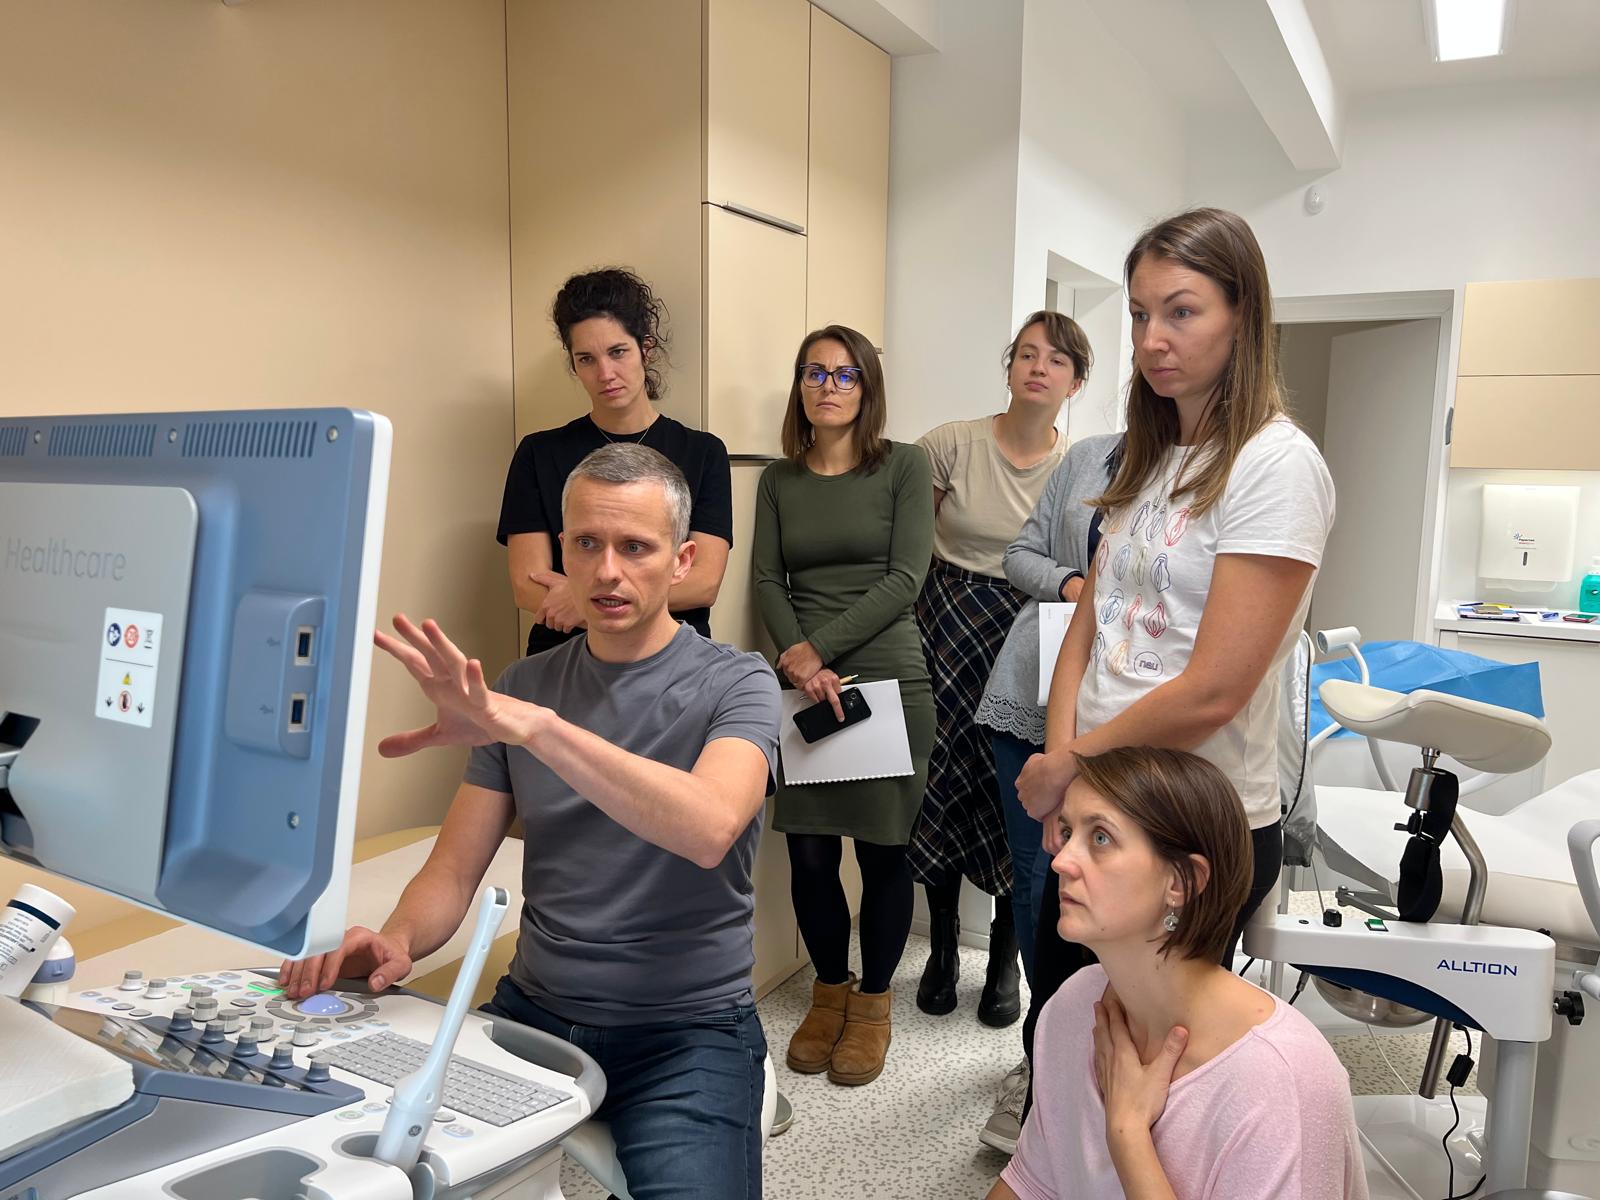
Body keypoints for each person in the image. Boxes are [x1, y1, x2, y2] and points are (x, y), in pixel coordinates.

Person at [281, 445, 780, 1199]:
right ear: (563, 553)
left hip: (687, 1031)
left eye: (635, 547)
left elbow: (708, 828)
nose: (606, 571)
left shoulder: (737, 682)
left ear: (681, 562)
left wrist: (541, 729)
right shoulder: (523, 689)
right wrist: (396, 942)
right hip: (532, 1015)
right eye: (586, 544)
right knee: (371, 1169)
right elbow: (452, 871)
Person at [1016, 206, 1335, 1012]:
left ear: (1243, 317)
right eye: (1138, 314)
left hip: (1191, 818)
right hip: (1104, 798)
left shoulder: (1275, 467)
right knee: (1061, 1022)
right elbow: (1091, 626)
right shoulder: (1151, 456)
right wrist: (1065, 773)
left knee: (1150, 1055)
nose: (1152, 338)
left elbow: (1213, 692)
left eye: (1181, 312)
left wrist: (1069, 766)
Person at [990, 747, 1368, 1200]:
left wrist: (1128, 1134)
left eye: (1101, 837)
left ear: (1181, 882)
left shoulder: (1285, 1083)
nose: (1061, 861)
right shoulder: (1072, 1009)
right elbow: (1032, 1184)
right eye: (1068, 832)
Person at [753, 324, 934, 1087]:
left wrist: (816, 649)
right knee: (810, 853)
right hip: (805, 687)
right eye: (814, 373)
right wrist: (801, 659)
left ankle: (872, 1005)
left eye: (845, 374)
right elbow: (767, 580)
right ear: (800, 386)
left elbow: (906, 578)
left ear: (868, 387)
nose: (828, 386)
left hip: (887, 679)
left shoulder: (905, 466)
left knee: (883, 852)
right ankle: (828, 993)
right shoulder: (778, 480)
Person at [910, 311, 1088, 1032]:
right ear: (1009, 367)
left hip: (1028, 637)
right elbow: (910, 550)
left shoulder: (1080, 466)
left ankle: (1005, 958)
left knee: (1013, 788)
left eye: (1056, 360)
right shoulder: (948, 444)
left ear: (1077, 382)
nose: (1038, 368)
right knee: (941, 780)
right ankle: (942, 947)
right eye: (1027, 355)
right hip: (946, 623)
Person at [969, 429, 1122, 1154]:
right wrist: (1075, 587)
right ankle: (1043, 1049)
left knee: (1112, 884)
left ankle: (1103, 1058)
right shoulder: (1089, 457)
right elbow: (1020, 555)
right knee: (1037, 877)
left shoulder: (1213, 469)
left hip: (1130, 713)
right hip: (1035, 691)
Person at [499, 267, 733, 657]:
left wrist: (583, 603)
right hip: (563, 654)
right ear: (573, 364)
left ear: (646, 348)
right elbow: (527, 585)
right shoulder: (538, 453)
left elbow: (703, 582)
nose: (605, 373)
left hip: (671, 658)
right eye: (586, 359)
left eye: (617, 352)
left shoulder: (704, 452)